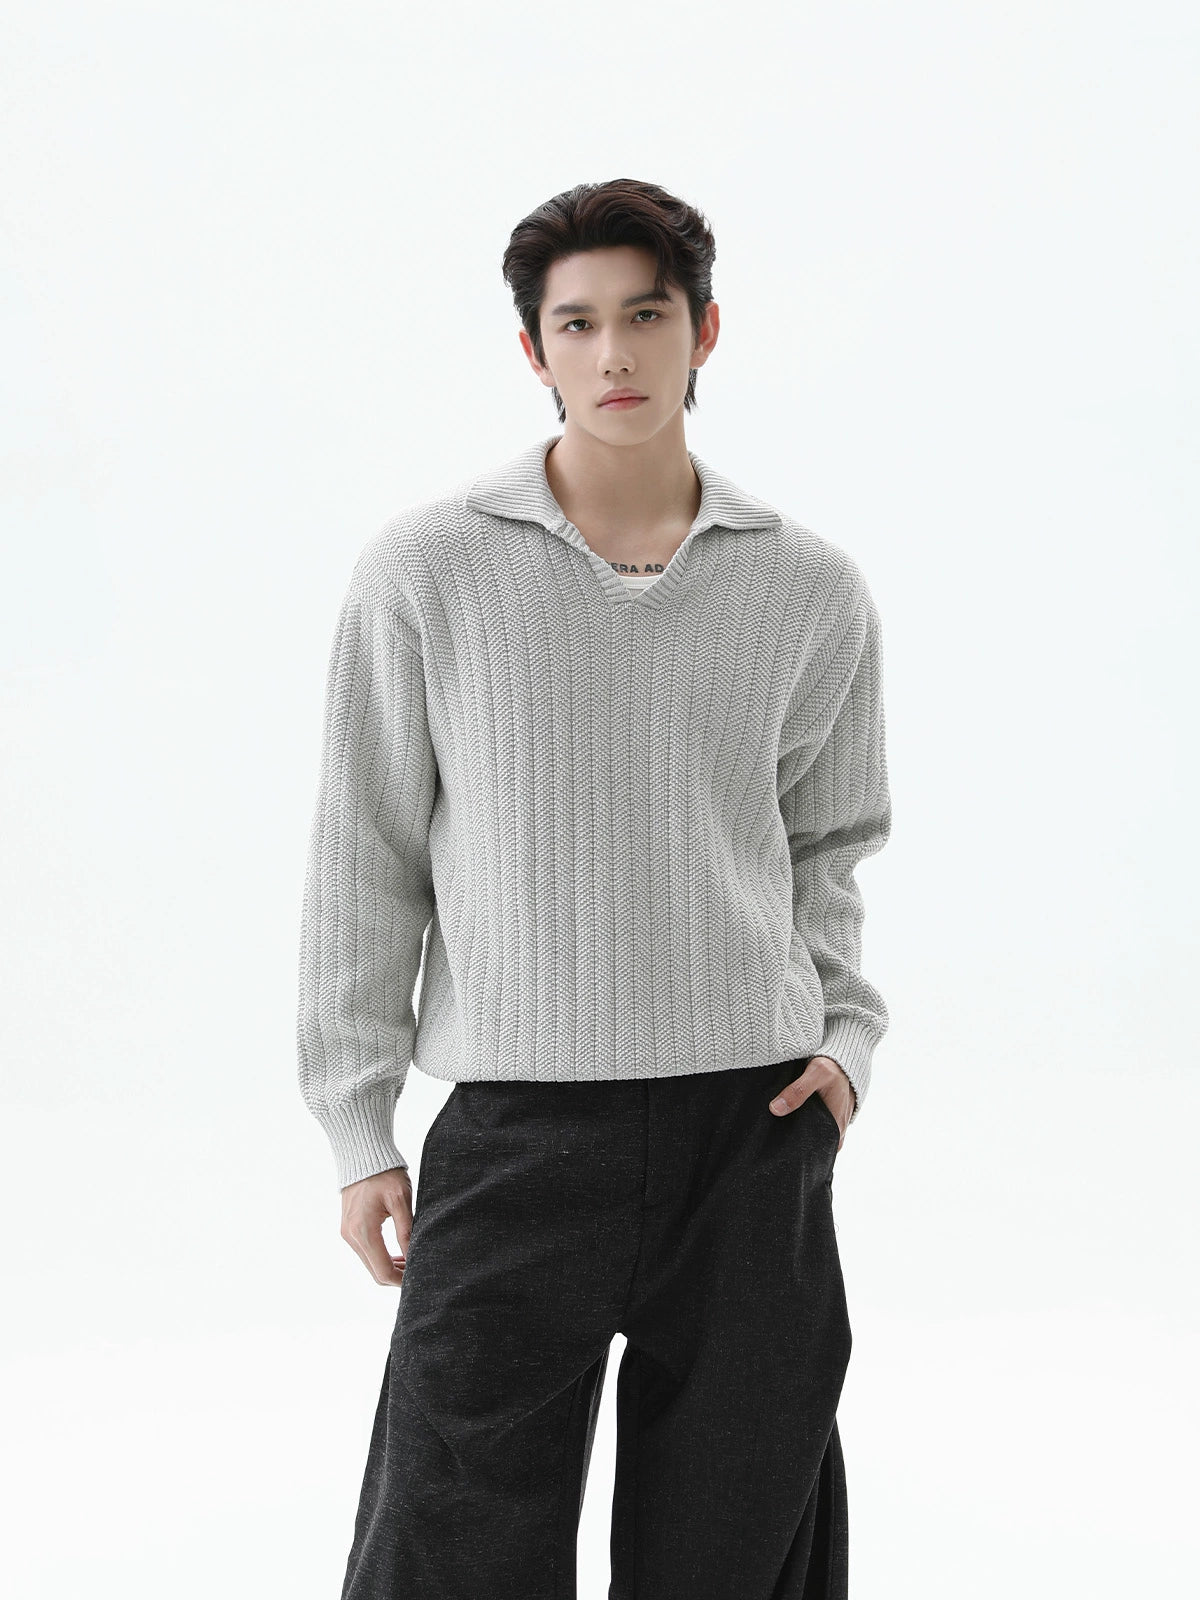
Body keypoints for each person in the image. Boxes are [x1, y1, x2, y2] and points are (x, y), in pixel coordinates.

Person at [296, 176, 893, 1600]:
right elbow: (364, 852)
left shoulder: (807, 587)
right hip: (518, 1133)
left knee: (742, 1543)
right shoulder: (427, 573)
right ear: (534, 350)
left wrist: (846, 1044)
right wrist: (358, 1127)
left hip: (753, 1128)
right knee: (449, 1546)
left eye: (647, 315)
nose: (615, 353)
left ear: (705, 332)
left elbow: (832, 845)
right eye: (578, 324)